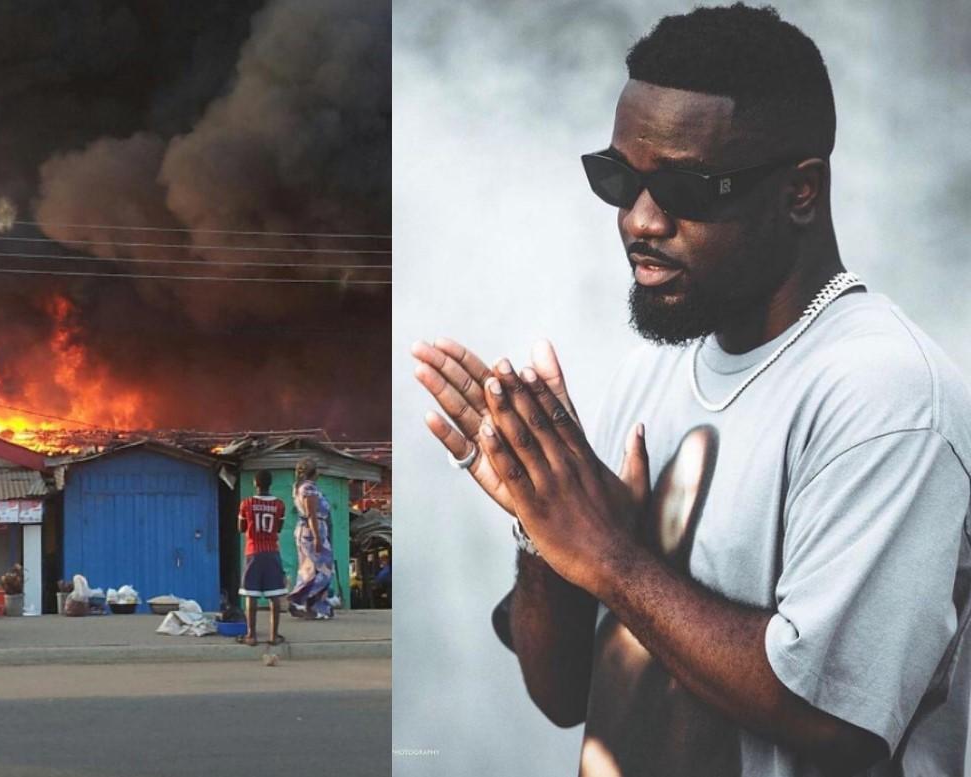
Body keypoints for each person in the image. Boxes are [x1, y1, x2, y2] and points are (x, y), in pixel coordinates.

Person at [412, 5, 971, 776]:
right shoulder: (653, 370)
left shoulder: (888, 400)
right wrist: (543, 529)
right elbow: (564, 692)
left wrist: (610, 554)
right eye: (617, 178)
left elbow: (836, 716)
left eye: (685, 188)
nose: (640, 220)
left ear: (801, 193)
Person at [237, 469, 287, 646]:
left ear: (255, 483)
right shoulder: (280, 505)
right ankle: (274, 636)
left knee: (251, 595)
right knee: (274, 595)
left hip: (253, 552)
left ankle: (251, 636)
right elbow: (279, 528)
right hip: (272, 551)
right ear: (270, 484)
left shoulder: (246, 503)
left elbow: (241, 528)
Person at [286, 458, 335, 620]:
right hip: (313, 530)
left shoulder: (301, 487)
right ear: (314, 472)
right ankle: (299, 599)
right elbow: (311, 514)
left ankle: (314, 605)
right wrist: (317, 538)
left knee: (309, 569)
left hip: (308, 530)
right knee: (324, 570)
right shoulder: (309, 489)